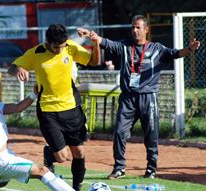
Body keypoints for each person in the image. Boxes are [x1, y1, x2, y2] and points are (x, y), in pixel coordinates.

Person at [77, 15, 201, 179]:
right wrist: (91, 35)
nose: (135, 30)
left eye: (138, 27)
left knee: (151, 134)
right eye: (133, 27)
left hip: (148, 97)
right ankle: (119, 168)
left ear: (146, 30)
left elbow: (176, 53)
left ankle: (151, 168)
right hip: (128, 97)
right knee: (120, 132)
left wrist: (191, 49)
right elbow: (106, 42)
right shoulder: (124, 46)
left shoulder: (156, 48)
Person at [8, 24, 101, 191]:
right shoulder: (36, 53)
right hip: (48, 110)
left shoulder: (70, 47)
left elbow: (94, 61)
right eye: (57, 47)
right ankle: (49, 154)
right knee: (62, 157)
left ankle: (76, 190)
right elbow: (11, 67)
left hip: (71, 108)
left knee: (79, 152)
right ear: (48, 42)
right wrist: (19, 69)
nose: (60, 50)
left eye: (63, 46)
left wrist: (95, 44)